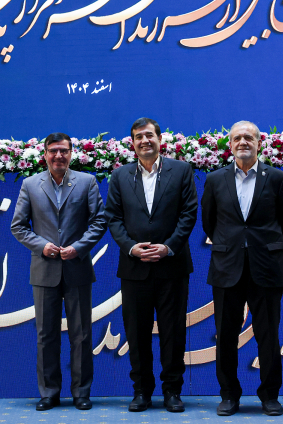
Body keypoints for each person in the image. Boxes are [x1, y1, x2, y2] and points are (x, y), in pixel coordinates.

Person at [201, 121, 283, 417]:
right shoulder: (215, 179)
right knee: (225, 336)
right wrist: (232, 245)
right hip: (226, 267)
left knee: (268, 334)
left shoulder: (277, 178)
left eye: (248, 138)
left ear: (258, 143)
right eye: (237, 138)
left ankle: (270, 395)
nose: (243, 142)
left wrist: (262, 247)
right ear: (230, 145)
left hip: (266, 268)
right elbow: (209, 222)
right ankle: (229, 395)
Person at [104, 117, 198, 413]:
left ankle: (172, 391)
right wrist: (131, 247)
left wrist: (168, 247)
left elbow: (189, 213)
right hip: (134, 268)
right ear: (132, 143)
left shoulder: (181, 170)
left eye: (149, 135)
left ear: (160, 139)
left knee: (173, 332)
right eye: (138, 137)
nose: (144, 141)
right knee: (136, 333)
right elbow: (113, 217)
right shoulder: (120, 175)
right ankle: (142, 391)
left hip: (172, 266)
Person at [11, 132, 107, 411]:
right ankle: (49, 393)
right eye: (53, 151)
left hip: (77, 268)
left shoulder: (87, 182)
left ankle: (81, 392)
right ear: (45, 154)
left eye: (63, 150)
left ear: (71, 153)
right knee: (46, 335)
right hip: (44, 269)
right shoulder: (30, 184)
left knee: (82, 334)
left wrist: (78, 247)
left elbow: (99, 222)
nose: (58, 156)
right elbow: (18, 226)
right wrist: (42, 246)